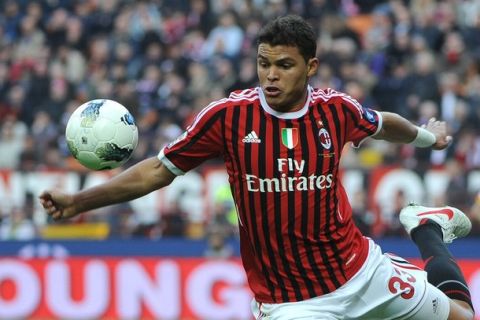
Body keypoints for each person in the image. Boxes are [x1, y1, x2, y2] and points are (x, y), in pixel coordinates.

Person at [39, 15, 475, 320]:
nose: (271, 76)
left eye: (284, 66)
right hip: (293, 304)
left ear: (310, 67)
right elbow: (157, 171)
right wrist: (79, 201)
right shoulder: (227, 118)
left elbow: (383, 125)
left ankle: (427, 228)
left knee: (463, 315)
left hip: (361, 270)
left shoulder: (335, 110)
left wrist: (425, 136)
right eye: (264, 64)